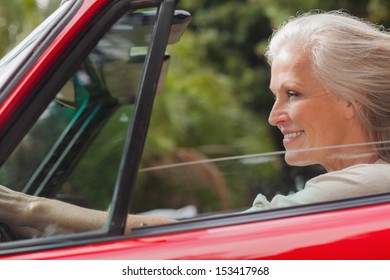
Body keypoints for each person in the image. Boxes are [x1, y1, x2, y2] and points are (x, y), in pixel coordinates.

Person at [1, 10, 390, 238]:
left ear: (349, 100)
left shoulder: (365, 186)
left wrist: (30, 208)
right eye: (275, 96)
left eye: (293, 93)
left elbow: (215, 239)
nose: (274, 116)